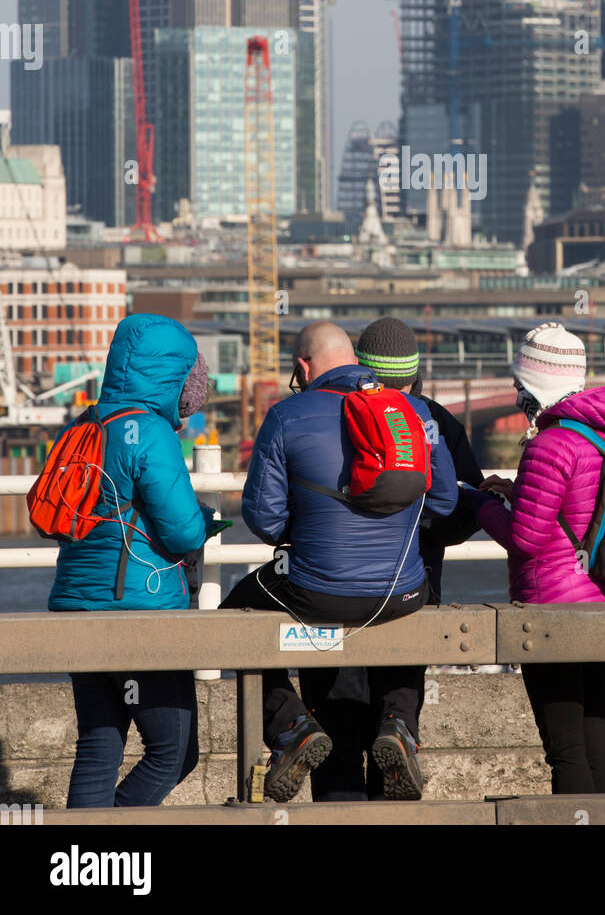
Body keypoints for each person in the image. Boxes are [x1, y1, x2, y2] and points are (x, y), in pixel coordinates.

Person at [220, 320, 458, 803]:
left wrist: (312, 534)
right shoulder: (415, 413)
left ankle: (291, 725)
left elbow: (264, 520)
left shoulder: (287, 415)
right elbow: (444, 504)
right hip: (402, 591)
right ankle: (399, 725)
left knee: (229, 619)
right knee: (420, 603)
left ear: (303, 367)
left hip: (317, 593)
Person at [50, 313, 215, 808]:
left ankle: (83, 862)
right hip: (139, 614)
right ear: (173, 380)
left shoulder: (86, 424)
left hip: (78, 606)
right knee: (174, 749)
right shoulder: (152, 433)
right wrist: (206, 522)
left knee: (99, 745)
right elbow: (183, 530)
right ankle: (113, 842)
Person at [461, 322, 605, 794]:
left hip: (551, 612)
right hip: (597, 602)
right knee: (597, 741)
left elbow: (527, 539)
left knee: (565, 751)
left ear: (537, 385)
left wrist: (482, 506)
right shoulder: (600, 436)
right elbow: (575, 510)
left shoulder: (548, 443)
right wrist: (518, 492)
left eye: (520, 384)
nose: (516, 394)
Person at [356, 317, 484, 607]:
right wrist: (418, 525)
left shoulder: (337, 414)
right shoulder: (437, 420)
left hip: (339, 587)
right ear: (415, 376)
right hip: (418, 584)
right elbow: (466, 510)